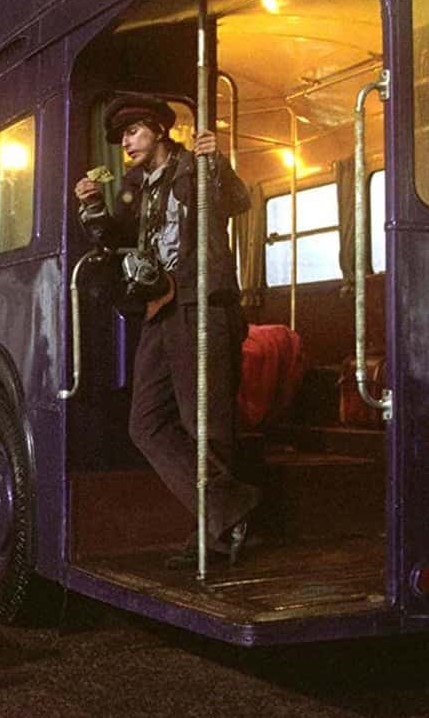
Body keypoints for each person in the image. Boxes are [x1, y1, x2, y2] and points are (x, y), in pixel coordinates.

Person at [73, 91, 260, 566]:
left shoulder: (193, 166)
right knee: (146, 424)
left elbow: (237, 200)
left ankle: (216, 538)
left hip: (201, 303)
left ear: (159, 129)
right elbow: (114, 239)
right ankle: (229, 509)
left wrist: (215, 161)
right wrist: (93, 206)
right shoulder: (138, 184)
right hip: (161, 307)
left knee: (205, 424)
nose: (125, 145)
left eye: (132, 132)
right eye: (120, 138)